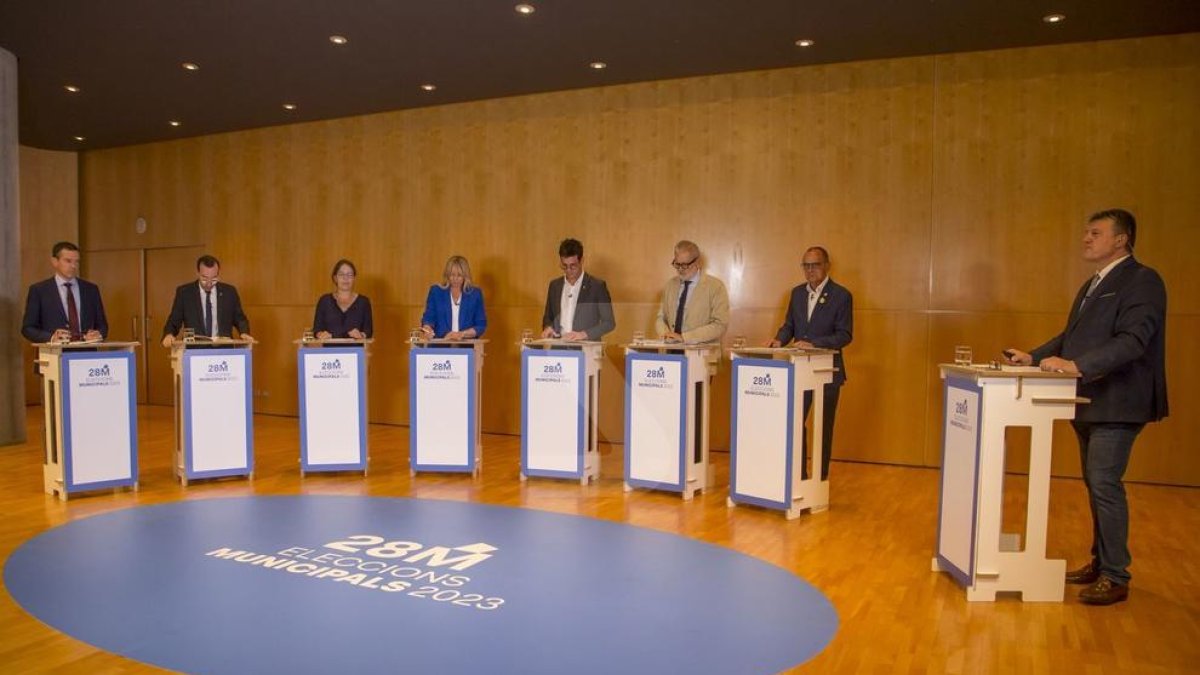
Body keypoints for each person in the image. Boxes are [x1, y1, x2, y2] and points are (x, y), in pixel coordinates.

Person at [1004, 208, 1167, 606]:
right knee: (1097, 484)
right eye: (1086, 232)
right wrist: (1034, 356)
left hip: (1119, 401)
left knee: (1105, 483)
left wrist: (1078, 366)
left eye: (1095, 233)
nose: (1086, 239)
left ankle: (1116, 574)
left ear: (1121, 239)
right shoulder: (1093, 284)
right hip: (1089, 400)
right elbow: (1071, 335)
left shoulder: (1143, 281)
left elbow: (1133, 341)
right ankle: (1100, 562)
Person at [768, 246, 853, 481]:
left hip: (828, 371)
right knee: (795, 422)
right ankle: (799, 475)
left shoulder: (841, 295)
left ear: (827, 266)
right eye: (806, 265)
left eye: (815, 265)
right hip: (799, 370)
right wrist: (779, 340)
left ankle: (820, 479)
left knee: (824, 428)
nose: (810, 270)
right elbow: (789, 326)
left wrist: (813, 343)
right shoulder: (796, 294)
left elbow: (844, 335)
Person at [21, 241, 108, 343]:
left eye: (76, 262)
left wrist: (98, 334)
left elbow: (103, 326)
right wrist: (51, 338)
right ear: (55, 261)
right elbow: (28, 328)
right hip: (55, 354)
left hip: (85, 353)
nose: (73, 266)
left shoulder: (91, 289)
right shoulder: (39, 290)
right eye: (68, 261)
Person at [160, 254, 253, 346]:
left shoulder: (229, 292)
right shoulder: (185, 293)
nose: (209, 283)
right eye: (204, 278)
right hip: (195, 351)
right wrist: (169, 334)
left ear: (218, 273)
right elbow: (174, 320)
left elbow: (239, 318)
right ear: (198, 273)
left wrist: (244, 332)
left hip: (223, 350)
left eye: (214, 278)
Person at [654, 240, 728, 343]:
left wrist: (685, 338)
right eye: (677, 264)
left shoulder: (716, 287)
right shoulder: (670, 285)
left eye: (684, 265)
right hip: (672, 352)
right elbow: (661, 318)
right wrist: (666, 334)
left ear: (697, 262)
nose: (680, 269)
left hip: (702, 355)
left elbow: (720, 325)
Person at [540, 238, 615, 341]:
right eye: (564, 266)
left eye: (573, 266)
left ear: (582, 261)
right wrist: (548, 328)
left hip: (586, 350)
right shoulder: (554, 286)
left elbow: (609, 323)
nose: (568, 270)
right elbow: (548, 317)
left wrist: (584, 334)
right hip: (558, 349)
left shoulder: (597, 286)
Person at [421, 255, 487, 340]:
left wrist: (462, 334)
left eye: (459, 275)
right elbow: (428, 318)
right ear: (447, 275)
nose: (455, 279)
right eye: (452, 275)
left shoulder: (475, 294)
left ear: (465, 276)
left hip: (467, 346)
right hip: (440, 345)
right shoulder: (436, 292)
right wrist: (428, 330)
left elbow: (480, 325)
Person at [312, 259, 373, 339]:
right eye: (341, 274)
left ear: (354, 278)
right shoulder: (324, 301)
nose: (345, 278)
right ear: (335, 278)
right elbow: (317, 329)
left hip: (355, 350)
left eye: (349, 275)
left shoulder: (364, 302)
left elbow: (368, 331)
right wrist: (320, 334)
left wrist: (361, 335)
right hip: (330, 350)